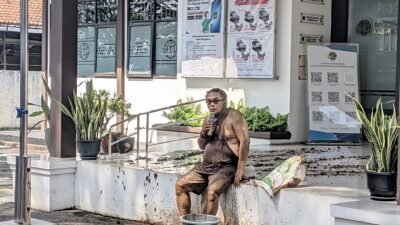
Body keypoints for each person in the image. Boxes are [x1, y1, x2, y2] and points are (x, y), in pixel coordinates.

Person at [175, 88, 250, 216]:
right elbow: (201, 146)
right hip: (205, 166)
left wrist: (240, 168)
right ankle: (185, 220)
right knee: (180, 185)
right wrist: (204, 132)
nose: (212, 105)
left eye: (216, 101)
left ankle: (206, 223)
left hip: (226, 167)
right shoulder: (208, 119)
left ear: (224, 101)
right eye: (209, 102)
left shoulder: (233, 116)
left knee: (211, 192)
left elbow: (245, 141)